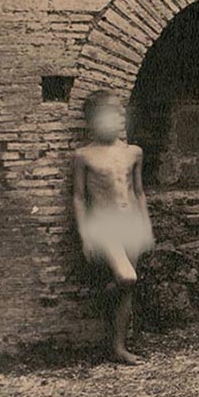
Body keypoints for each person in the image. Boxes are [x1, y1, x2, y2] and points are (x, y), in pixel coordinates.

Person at [72, 90, 154, 365]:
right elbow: (79, 197)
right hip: (104, 226)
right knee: (127, 278)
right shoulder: (84, 155)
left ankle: (118, 346)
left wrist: (146, 227)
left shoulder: (133, 152)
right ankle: (101, 295)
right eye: (111, 113)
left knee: (127, 287)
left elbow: (139, 192)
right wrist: (85, 235)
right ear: (93, 120)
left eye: (121, 112)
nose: (119, 117)